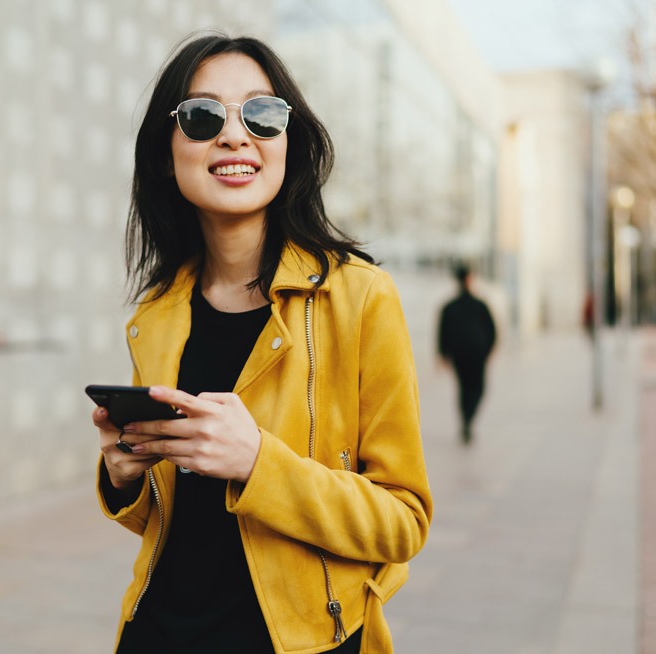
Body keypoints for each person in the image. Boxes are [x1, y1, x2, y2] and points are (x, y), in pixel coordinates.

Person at [90, 33, 432, 654]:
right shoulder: (158, 312)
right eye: (201, 117)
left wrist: (258, 462)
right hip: (159, 633)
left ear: (287, 143)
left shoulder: (359, 298)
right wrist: (123, 478)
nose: (234, 135)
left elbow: (403, 522)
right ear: (168, 155)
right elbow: (171, 520)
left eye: (262, 114)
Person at [437, 264, 496, 444]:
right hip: (477, 354)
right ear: (469, 278)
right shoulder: (480, 305)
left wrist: (443, 354)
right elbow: (492, 330)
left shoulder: (449, 307)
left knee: (464, 389)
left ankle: (466, 422)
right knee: (478, 388)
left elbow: (442, 332)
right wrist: (489, 350)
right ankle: (468, 421)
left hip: (459, 355)